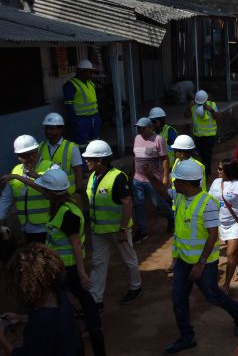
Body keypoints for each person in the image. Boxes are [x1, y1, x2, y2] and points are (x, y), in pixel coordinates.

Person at [148, 159, 238, 354]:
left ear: (186, 183)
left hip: (204, 263)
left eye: (176, 181)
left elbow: (212, 234)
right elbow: (162, 190)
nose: (173, 184)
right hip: (183, 261)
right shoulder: (180, 196)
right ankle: (187, 337)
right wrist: (150, 175)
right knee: (178, 299)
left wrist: (200, 264)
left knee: (212, 295)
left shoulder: (207, 203)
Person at [1, 169, 105, 355]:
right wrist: (17, 177)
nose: (42, 191)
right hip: (62, 267)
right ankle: (94, 334)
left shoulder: (67, 214)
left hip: (68, 268)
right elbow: (38, 186)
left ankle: (95, 334)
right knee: (69, 303)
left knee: (48, 300)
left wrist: (81, 273)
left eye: (45, 190)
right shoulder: (62, 204)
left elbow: (75, 245)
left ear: (50, 193)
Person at [82, 139, 142, 311]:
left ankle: (136, 287)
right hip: (99, 231)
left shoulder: (117, 177)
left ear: (100, 161)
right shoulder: (94, 176)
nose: (86, 161)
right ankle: (95, 299)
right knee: (98, 263)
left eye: (90, 159)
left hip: (117, 231)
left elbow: (127, 203)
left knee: (129, 259)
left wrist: (123, 229)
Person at [0, 244, 82, 356]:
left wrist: (2, 339)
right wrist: (21, 318)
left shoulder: (40, 325)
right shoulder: (57, 294)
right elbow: (52, 324)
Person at [0, 135, 59, 243]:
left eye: (33, 153)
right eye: (26, 155)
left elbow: (54, 193)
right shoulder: (15, 171)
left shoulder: (52, 168)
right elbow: (6, 199)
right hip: (27, 229)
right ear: (19, 156)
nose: (31, 157)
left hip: (50, 226)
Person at [208, 159, 238, 293]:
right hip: (221, 224)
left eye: (221, 169)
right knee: (234, 251)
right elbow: (209, 201)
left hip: (235, 224)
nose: (218, 171)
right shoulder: (216, 183)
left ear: (228, 170)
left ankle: (226, 285)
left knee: (230, 252)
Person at [131, 117, 172, 243]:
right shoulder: (137, 138)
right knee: (139, 205)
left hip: (152, 179)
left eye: (143, 128)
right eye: (139, 128)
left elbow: (164, 158)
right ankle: (142, 231)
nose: (140, 130)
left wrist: (165, 175)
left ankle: (171, 217)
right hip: (137, 179)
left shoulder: (158, 140)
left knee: (157, 203)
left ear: (151, 128)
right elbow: (135, 157)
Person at [39, 113, 83, 195]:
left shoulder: (71, 147)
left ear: (60, 129)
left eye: (52, 128)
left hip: (67, 192)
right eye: (46, 128)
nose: (48, 131)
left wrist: (78, 191)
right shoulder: (40, 147)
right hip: (47, 192)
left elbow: (78, 170)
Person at [63, 59, 100, 145]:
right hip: (81, 119)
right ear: (81, 72)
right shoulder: (70, 85)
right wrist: (75, 121)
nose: (91, 74)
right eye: (89, 71)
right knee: (81, 144)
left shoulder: (91, 83)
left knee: (94, 143)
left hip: (94, 117)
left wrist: (97, 117)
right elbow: (69, 106)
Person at [187, 90, 221, 179]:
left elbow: (218, 117)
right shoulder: (193, 107)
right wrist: (189, 107)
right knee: (202, 154)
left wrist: (211, 110)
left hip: (210, 135)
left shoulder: (212, 105)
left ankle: (207, 172)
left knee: (207, 154)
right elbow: (185, 115)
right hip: (198, 136)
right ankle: (205, 170)